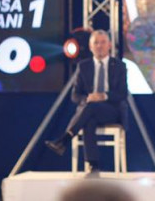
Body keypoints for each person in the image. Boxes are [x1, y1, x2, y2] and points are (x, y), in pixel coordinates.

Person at [45, 30, 128, 178]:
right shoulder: (83, 66)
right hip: (89, 110)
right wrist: (88, 98)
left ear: (109, 45)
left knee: (91, 109)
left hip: (111, 110)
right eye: (96, 43)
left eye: (103, 42)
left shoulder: (119, 66)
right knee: (89, 119)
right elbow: (75, 96)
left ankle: (65, 139)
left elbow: (122, 94)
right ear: (90, 47)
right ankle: (94, 167)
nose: (99, 46)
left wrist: (102, 96)